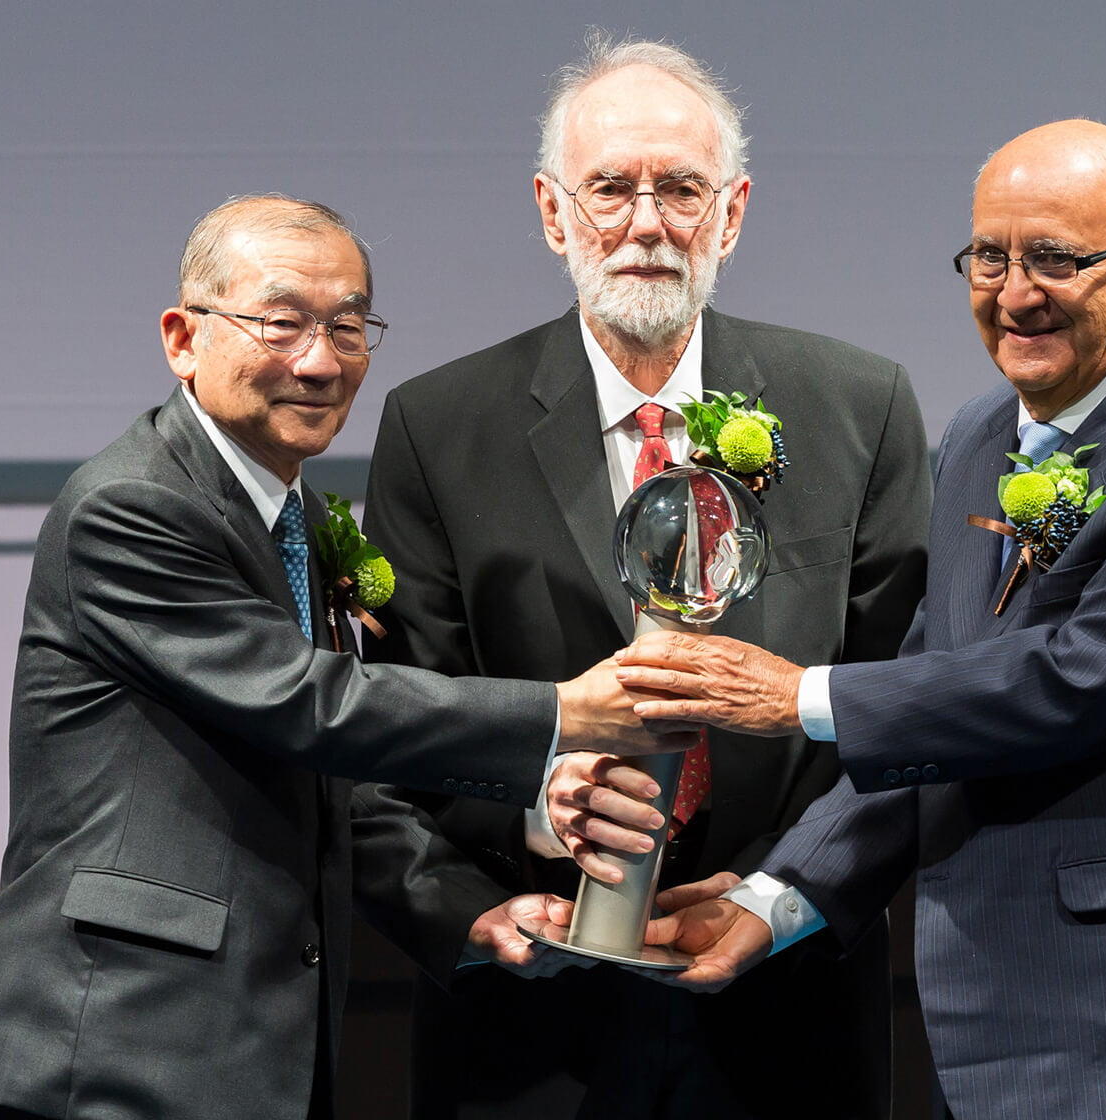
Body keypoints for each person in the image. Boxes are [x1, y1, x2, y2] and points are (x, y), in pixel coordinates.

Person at [622, 121, 1106, 1120]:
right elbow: (936, 709)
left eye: (1054, 258)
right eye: (989, 256)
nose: (1014, 292)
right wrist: (773, 901)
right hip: (998, 1037)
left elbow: (1072, 681)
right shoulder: (973, 437)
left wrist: (795, 697)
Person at [0, 195, 687, 1120]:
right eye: (281, 322)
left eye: (349, 326)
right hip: (104, 1043)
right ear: (182, 337)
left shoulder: (304, 522)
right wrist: (567, 713)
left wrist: (465, 910)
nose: (321, 361)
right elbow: (313, 705)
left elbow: (332, 777)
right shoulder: (132, 506)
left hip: (235, 1048)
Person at [357, 34, 931, 1120]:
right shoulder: (439, 427)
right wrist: (539, 806)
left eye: (681, 188)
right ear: (552, 211)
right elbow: (396, 723)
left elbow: (907, 710)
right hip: (532, 1031)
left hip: (790, 1021)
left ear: (734, 211)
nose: (646, 223)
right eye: (611, 187)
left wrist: (780, 895)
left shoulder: (861, 407)